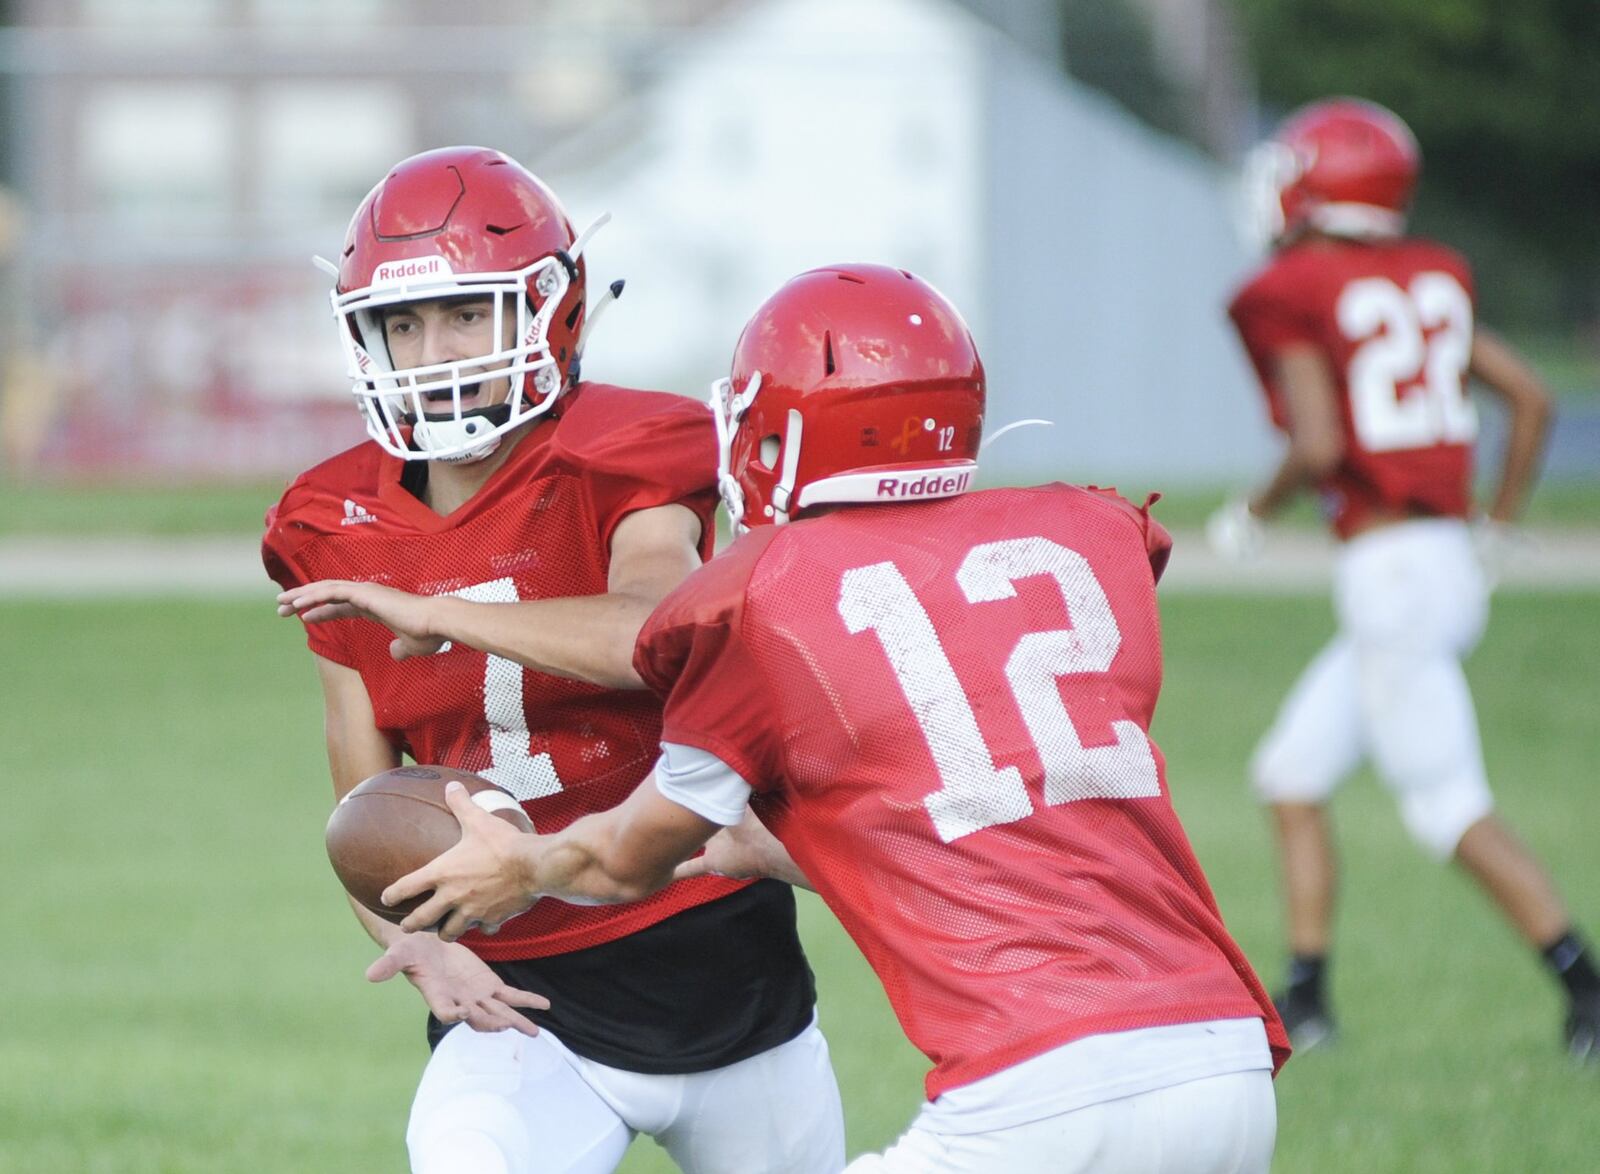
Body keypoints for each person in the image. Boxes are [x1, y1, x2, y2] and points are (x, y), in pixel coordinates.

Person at [383, 263, 1292, 1173]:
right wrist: (783, 848)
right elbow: (984, 815)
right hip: (1224, 1058)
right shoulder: (1080, 531)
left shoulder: (766, 595)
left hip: (1033, 1092)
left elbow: (624, 861)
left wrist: (523, 865)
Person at [264, 147, 844, 1174]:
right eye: (402, 322)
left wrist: (440, 610)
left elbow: (649, 629)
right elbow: (366, 802)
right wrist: (421, 948)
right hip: (523, 1004)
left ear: (549, 309)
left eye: (462, 314)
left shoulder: (627, 445)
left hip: (721, 964)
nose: (430, 347)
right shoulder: (331, 520)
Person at [1211, 97, 1600, 1061]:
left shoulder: (1296, 285)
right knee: (1291, 775)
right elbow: (1532, 398)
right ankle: (1307, 1002)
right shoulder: (1429, 275)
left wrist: (1251, 516)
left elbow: (1317, 442)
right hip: (1438, 562)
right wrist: (1498, 525)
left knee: (1445, 805)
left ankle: (1587, 991)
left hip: (1390, 569)